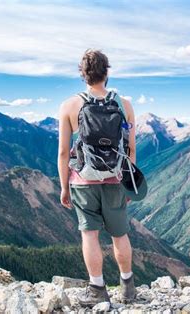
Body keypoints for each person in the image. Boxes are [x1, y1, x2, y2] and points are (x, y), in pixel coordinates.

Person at [57, 49, 137, 306]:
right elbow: (130, 149)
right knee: (120, 234)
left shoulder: (69, 106)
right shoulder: (124, 105)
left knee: (89, 235)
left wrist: (64, 187)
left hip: (82, 181)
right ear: (107, 72)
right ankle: (128, 288)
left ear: (83, 74)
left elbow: (62, 152)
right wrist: (130, 184)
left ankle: (97, 290)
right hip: (115, 179)